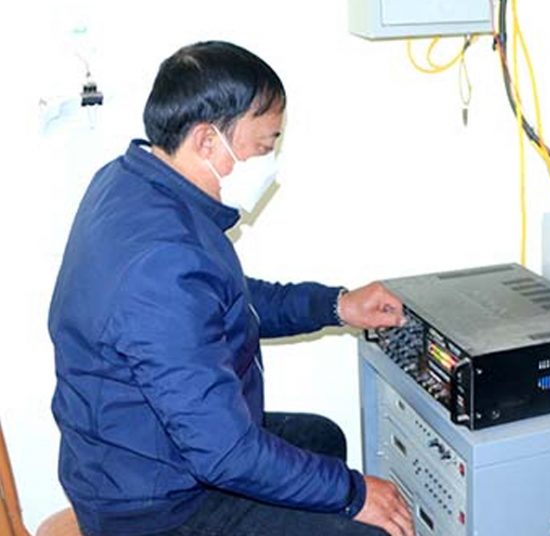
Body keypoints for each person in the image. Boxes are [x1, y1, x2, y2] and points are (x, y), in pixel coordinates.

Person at [48, 41, 414, 536]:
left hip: (139, 450)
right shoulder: (163, 260)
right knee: (367, 529)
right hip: (156, 507)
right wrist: (355, 493)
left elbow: (222, 299)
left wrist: (335, 305)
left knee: (320, 437)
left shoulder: (132, 183)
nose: (270, 162)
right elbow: (225, 454)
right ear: (207, 140)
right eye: (264, 146)